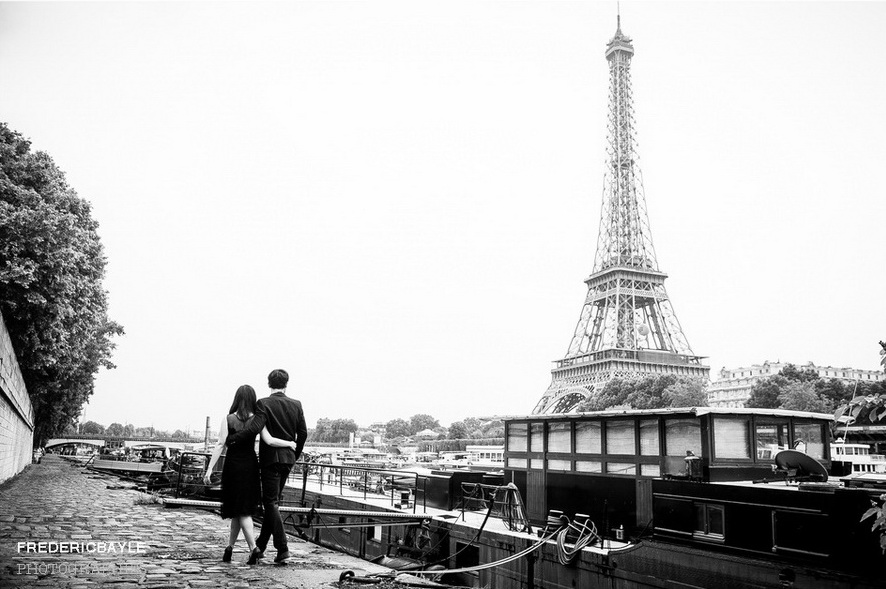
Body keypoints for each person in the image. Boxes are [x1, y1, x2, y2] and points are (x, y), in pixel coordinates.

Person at [204, 384, 298, 564]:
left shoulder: (228, 419)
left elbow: (220, 445)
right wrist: (289, 443)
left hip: (233, 466)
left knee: (241, 511)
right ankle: (229, 549)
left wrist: (210, 468)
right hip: (250, 466)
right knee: (240, 510)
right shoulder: (256, 420)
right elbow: (269, 441)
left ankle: (253, 548)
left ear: (236, 398)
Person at [226, 369, 307, 564]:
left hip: (270, 460)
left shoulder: (263, 403)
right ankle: (261, 546)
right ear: (286, 383)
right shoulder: (297, 404)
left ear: (269, 383)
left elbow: (254, 428)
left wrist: (233, 438)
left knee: (270, 502)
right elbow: (302, 434)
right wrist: (293, 455)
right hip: (287, 459)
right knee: (273, 504)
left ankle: (282, 547)